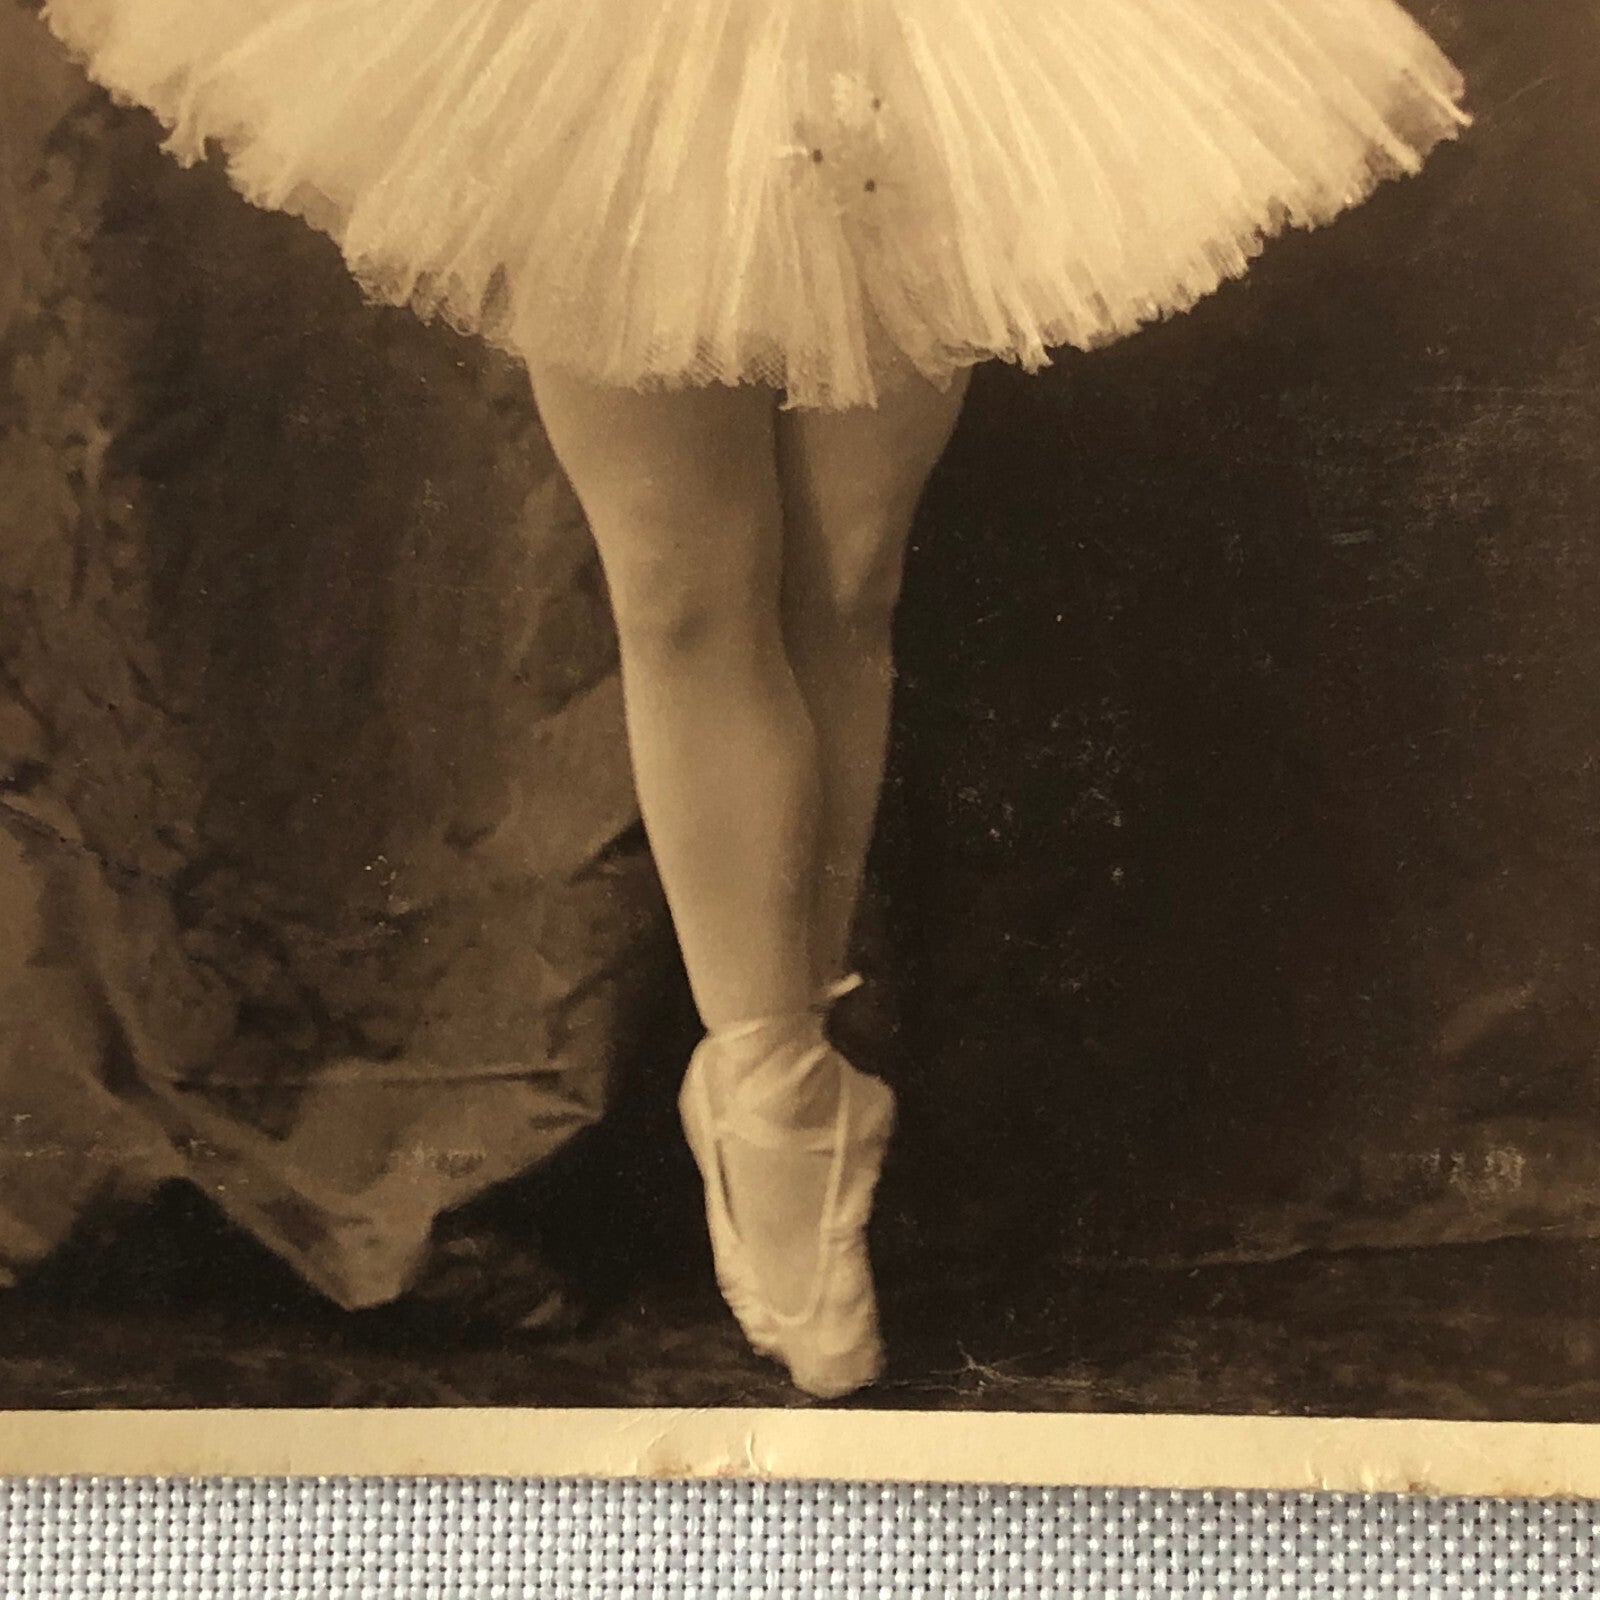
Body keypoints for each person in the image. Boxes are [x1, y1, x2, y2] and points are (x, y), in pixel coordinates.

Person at [39, 0, 1469, 1398]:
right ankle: (776, 1092)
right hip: (618, 47)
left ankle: (783, 1083)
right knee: (681, 584)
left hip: (899, 43)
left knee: (846, 581)